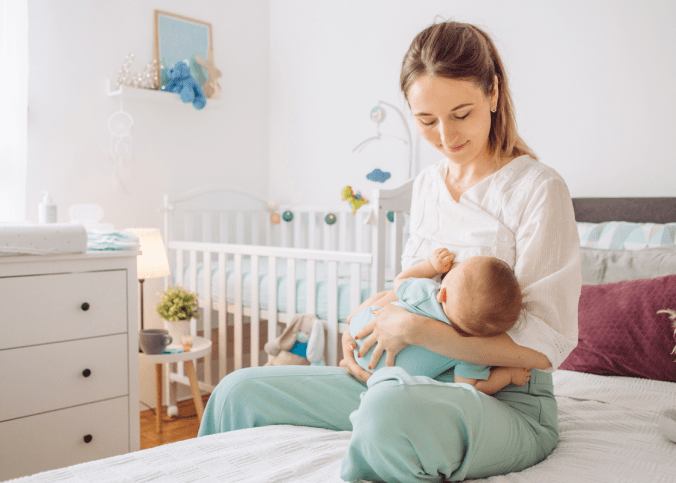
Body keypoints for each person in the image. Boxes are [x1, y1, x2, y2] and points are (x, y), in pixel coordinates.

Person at [198, 20, 580, 483]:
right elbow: (412, 288)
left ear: (494, 93)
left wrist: (418, 331)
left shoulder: (538, 188)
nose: (446, 136)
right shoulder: (426, 187)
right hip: (401, 379)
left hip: (500, 400)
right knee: (238, 390)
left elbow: (546, 345)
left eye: (462, 113)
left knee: (389, 411)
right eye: (426, 121)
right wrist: (368, 319)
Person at [349, 247, 531, 394]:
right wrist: (507, 375)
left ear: (442, 293)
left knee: (386, 294)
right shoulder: (474, 351)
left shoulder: (426, 291)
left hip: (361, 334)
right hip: (392, 378)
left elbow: (400, 280)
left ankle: (352, 317)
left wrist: (431, 266)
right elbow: (470, 388)